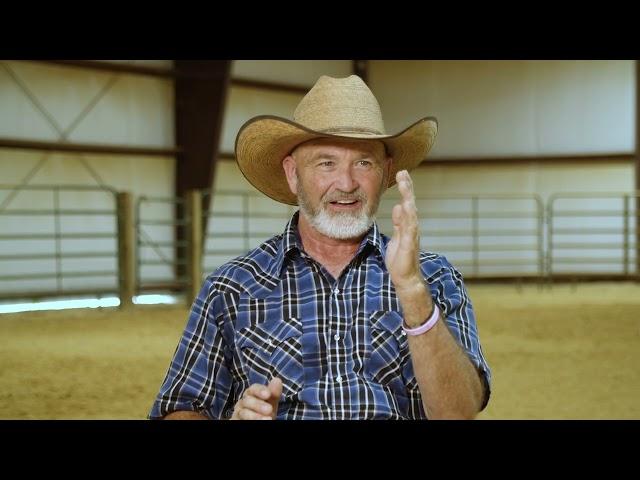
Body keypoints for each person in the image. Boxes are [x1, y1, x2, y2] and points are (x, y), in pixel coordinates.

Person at [149, 74, 491, 420]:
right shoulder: (231, 288)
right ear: (293, 173)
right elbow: (180, 407)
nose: (346, 183)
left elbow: (460, 413)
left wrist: (412, 289)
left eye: (363, 162)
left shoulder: (433, 277)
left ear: (386, 173)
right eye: (326, 163)